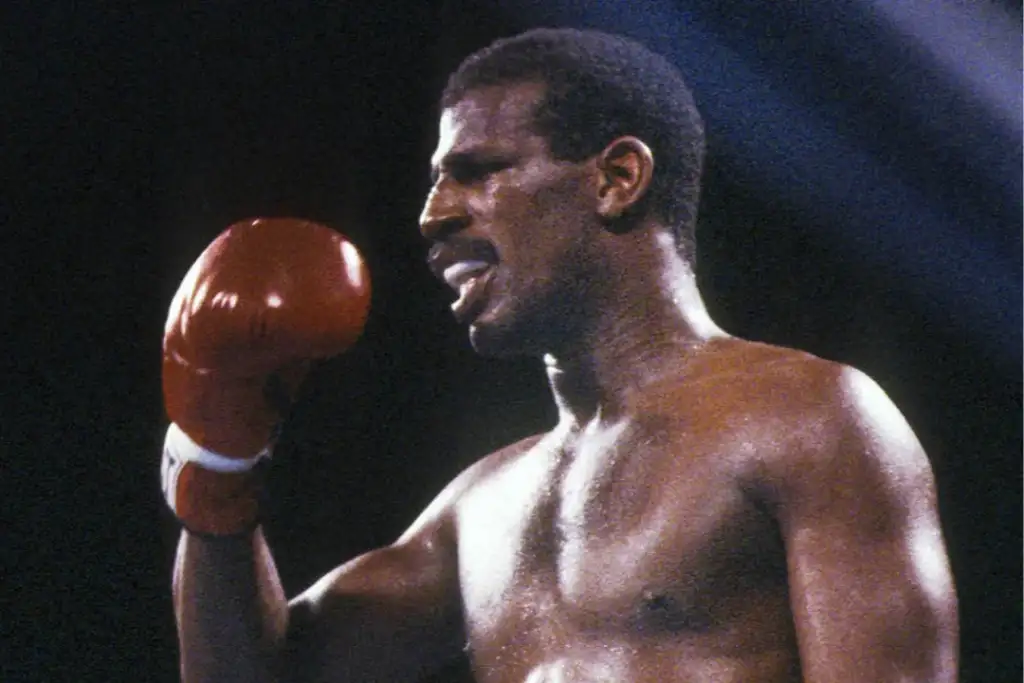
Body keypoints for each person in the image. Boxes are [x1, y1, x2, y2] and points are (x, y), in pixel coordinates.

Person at [163, 28, 958, 682]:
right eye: (438, 182)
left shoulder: (811, 419)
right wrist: (216, 460)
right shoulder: (481, 507)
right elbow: (251, 675)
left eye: (476, 173)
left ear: (616, 178)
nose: (432, 217)